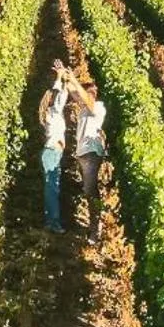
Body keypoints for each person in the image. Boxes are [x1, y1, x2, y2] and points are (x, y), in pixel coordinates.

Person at [71, 79, 108, 243]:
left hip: (91, 153)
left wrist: (74, 80)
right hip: (82, 153)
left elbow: (85, 98)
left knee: (90, 190)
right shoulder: (84, 109)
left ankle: (96, 228)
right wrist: (64, 77)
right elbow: (75, 94)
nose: (79, 98)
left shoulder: (98, 107)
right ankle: (95, 223)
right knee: (88, 190)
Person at [39, 64, 71, 232]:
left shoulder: (51, 113)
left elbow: (59, 96)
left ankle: (51, 220)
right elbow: (60, 97)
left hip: (52, 153)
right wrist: (61, 78)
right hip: (51, 153)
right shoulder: (53, 112)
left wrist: (64, 79)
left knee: (52, 187)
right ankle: (53, 222)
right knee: (52, 188)